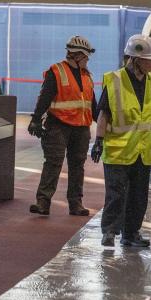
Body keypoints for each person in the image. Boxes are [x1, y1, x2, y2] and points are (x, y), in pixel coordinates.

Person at [91, 34, 151, 247]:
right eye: (150, 59)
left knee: (139, 196)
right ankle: (110, 231)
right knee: (116, 194)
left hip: (144, 150)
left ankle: (131, 234)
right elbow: (104, 114)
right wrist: (99, 140)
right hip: (118, 150)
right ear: (136, 60)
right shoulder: (115, 81)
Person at [28, 36, 97, 216]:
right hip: (58, 125)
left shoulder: (87, 76)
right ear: (77, 56)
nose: (87, 60)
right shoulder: (56, 71)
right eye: (86, 57)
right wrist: (35, 118)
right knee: (53, 163)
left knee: (77, 166)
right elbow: (44, 97)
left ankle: (76, 204)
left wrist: (106, 124)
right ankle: (43, 202)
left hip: (81, 128)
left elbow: (92, 104)